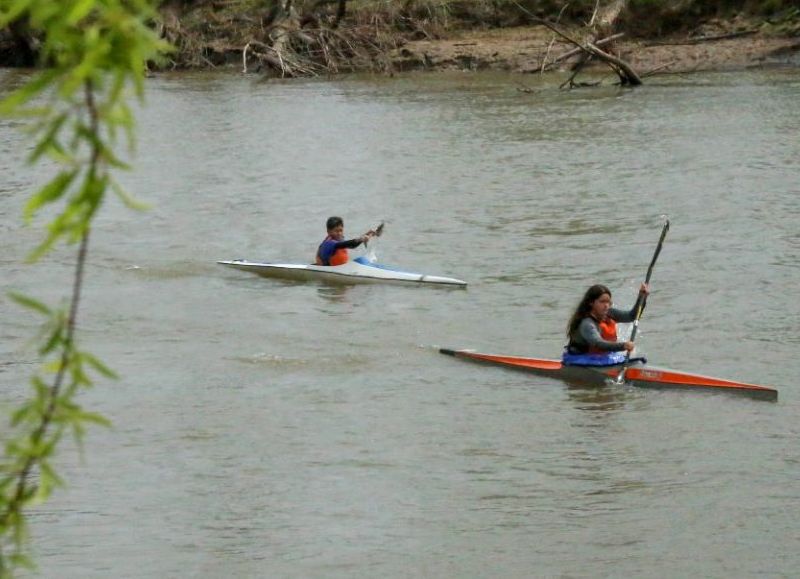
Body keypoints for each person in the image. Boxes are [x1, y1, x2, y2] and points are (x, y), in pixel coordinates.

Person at [566, 283, 650, 355]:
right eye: (602, 302)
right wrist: (623, 346)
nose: (606, 306)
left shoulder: (609, 313)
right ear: (591, 303)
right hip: (581, 359)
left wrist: (642, 298)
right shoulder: (586, 323)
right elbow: (598, 343)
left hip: (599, 358)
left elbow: (632, 316)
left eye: (608, 302)